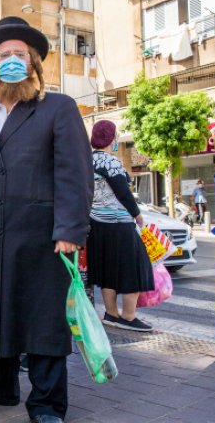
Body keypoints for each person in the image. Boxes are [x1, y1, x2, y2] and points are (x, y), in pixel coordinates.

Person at [0, 16, 93, 423]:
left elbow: (75, 172)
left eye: (20, 54)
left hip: (41, 236)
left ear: (33, 62)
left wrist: (69, 229)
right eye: (5, 55)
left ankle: (47, 404)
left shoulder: (58, 108)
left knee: (42, 322)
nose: (13, 60)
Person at [86, 120, 154, 332]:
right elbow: (122, 192)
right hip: (119, 223)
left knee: (108, 269)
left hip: (96, 223)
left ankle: (111, 313)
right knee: (134, 267)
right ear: (111, 139)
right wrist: (137, 214)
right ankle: (128, 316)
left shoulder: (85, 161)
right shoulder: (110, 162)